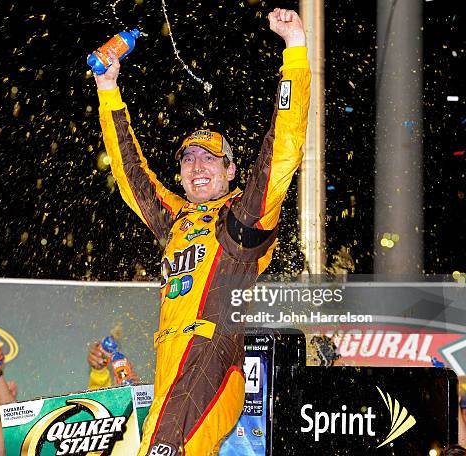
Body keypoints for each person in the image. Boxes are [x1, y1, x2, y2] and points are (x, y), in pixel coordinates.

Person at [94, 7, 310, 455]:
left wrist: (295, 52)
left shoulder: (244, 215)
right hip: (173, 364)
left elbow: (283, 149)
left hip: (210, 357)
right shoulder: (176, 218)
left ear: (231, 169)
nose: (196, 166)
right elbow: (130, 173)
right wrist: (108, 89)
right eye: (189, 159)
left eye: (210, 158)